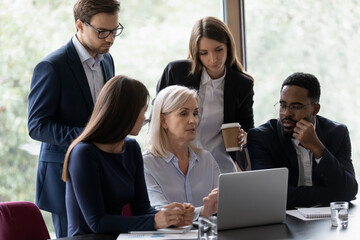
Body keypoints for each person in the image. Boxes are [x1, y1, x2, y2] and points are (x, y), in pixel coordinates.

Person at [27, 0, 121, 237]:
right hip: (64, 176)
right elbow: (37, 126)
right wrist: (90, 136)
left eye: (115, 30)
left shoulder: (107, 60)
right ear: (80, 25)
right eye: (102, 32)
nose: (110, 39)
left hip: (102, 173)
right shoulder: (51, 66)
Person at [62, 75, 194, 236]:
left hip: (121, 236)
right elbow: (97, 223)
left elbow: (142, 209)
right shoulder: (84, 153)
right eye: (143, 111)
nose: (145, 118)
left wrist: (171, 217)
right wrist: (154, 221)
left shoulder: (131, 148)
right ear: (126, 112)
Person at [156, 16, 254, 173]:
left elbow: (248, 128)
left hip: (219, 165)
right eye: (204, 53)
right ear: (196, 53)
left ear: (228, 47)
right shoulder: (176, 72)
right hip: (175, 163)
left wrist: (244, 137)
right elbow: (157, 117)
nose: (213, 59)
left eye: (218, 50)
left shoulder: (242, 85)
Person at [247, 72, 358, 209]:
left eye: (296, 106)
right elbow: (271, 194)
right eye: (283, 105)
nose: (287, 113)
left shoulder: (337, 133)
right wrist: (336, 194)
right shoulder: (262, 137)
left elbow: (350, 189)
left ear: (315, 109)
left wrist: (318, 149)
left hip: (326, 223)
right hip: (283, 221)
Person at [143, 85, 220, 220]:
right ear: (163, 121)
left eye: (195, 113)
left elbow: (224, 203)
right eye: (183, 113)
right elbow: (162, 213)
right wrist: (202, 211)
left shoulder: (206, 159)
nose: (193, 120)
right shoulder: (146, 164)